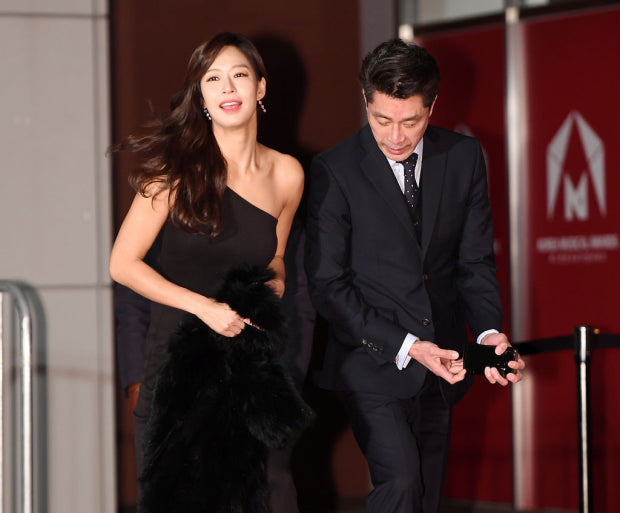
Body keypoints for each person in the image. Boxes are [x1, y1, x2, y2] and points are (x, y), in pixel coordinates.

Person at [304, 38, 525, 513]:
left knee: (424, 495)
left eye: (411, 121)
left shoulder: (463, 156)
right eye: (382, 119)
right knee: (401, 481)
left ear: (433, 106)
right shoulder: (334, 170)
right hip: (371, 359)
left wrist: (487, 333)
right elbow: (328, 284)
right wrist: (407, 345)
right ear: (366, 101)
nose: (396, 136)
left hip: (443, 362)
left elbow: (474, 262)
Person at [109, 32, 304, 509]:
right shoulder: (173, 173)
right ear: (200, 96)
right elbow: (122, 264)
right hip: (178, 367)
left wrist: (276, 279)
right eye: (213, 79)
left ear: (260, 87)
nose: (227, 88)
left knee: (270, 491)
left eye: (239, 75)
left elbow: (275, 254)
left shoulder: (287, 174)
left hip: (249, 367)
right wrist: (205, 308)